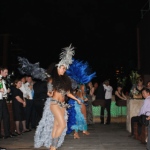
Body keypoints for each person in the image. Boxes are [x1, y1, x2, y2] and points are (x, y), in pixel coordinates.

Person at [34, 45, 82, 150]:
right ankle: (53, 146)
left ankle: (52, 146)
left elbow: (68, 93)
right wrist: (50, 93)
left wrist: (77, 99)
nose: (64, 70)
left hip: (63, 105)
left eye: (65, 68)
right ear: (58, 67)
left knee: (56, 125)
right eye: (62, 68)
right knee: (62, 125)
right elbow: (49, 92)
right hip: (54, 103)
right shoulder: (52, 80)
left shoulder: (66, 81)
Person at [0, 66, 13, 139]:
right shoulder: (0, 79)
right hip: (0, 99)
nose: (7, 74)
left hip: (3, 99)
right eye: (5, 72)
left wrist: (7, 91)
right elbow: (1, 90)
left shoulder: (3, 79)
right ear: (1, 71)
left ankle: (7, 133)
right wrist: (5, 91)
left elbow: (3, 90)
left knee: (6, 116)